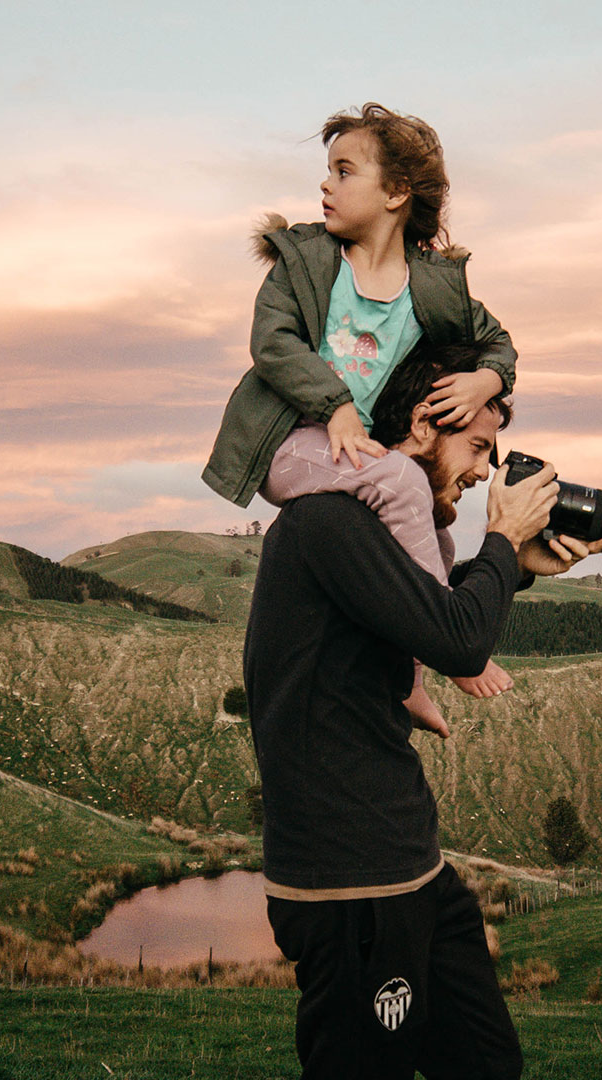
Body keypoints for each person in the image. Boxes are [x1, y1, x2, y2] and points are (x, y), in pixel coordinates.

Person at [245, 342, 602, 1079]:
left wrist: (514, 567)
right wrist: (503, 540)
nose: (483, 472)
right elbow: (457, 641)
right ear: (422, 424)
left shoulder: (364, 528)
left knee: (487, 1063)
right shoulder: (329, 521)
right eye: (477, 447)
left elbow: (429, 610)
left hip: (409, 867)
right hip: (351, 881)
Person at [203, 102, 519, 735]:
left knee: (436, 529)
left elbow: (498, 343)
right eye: (329, 170)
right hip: (289, 443)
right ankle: (437, 648)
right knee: (402, 480)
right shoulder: (306, 262)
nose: (326, 184)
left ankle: (415, 673)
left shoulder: (430, 287)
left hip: (350, 453)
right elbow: (272, 343)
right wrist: (337, 406)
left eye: (344, 171)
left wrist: (487, 379)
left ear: (396, 192)